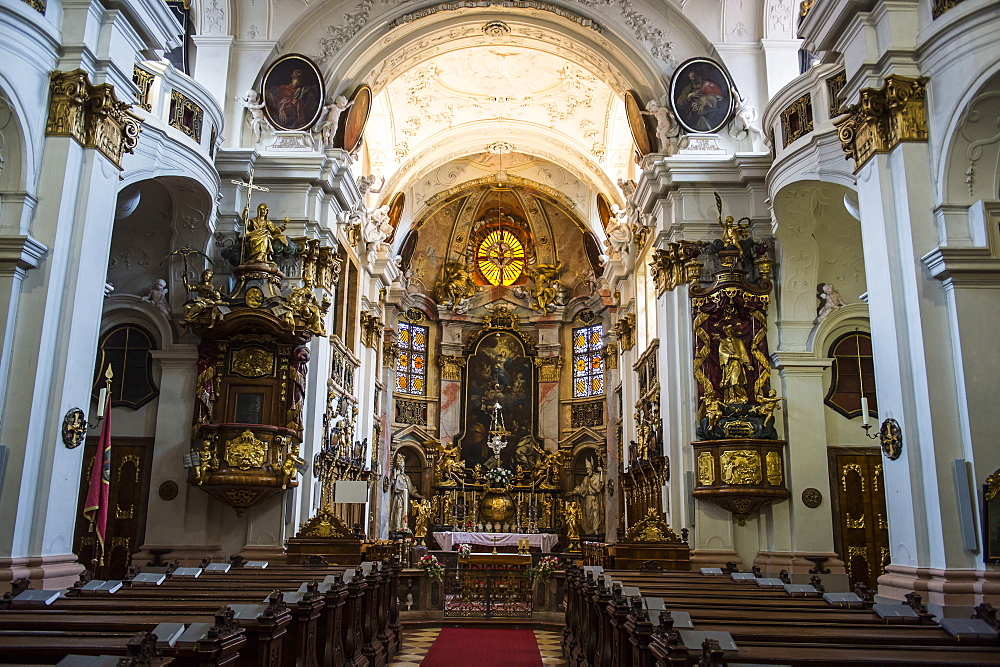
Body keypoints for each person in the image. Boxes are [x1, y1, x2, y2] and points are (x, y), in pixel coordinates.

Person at [676, 67, 728, 132]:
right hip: (692, 120)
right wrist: (690, 96)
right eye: (692, 80)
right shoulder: (688, 88)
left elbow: (720, 103)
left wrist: (702, 102)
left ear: (700, 76)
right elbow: (679, 103)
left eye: (696, 78)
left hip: (708, 118)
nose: (695, 82)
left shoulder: (710, 86)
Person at [717, 324, 752, 404]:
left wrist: (748, 364)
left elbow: (743, 353)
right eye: (727, 332)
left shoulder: (738, 341)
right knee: (729, 383)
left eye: (730, 332)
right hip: (728, 364)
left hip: (737, 363)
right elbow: (721, 353)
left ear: (732, 332)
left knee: (735, 381)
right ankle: (731, 398)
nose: (728, 334)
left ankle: (742, 397)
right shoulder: (723, 342)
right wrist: (732, 356)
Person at [570, 457, 605, 535]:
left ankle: (596, 531)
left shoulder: (598, 477)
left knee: (595, 514)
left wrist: (591, 483)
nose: (587, 471)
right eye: (586, 470)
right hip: (587, 499)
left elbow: (599, 489)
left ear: (592, 469)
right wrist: (573, 492)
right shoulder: (586, 478)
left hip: (595, 498)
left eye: (588, 469)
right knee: (588, 515)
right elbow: (581, 489)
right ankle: (590, 530)